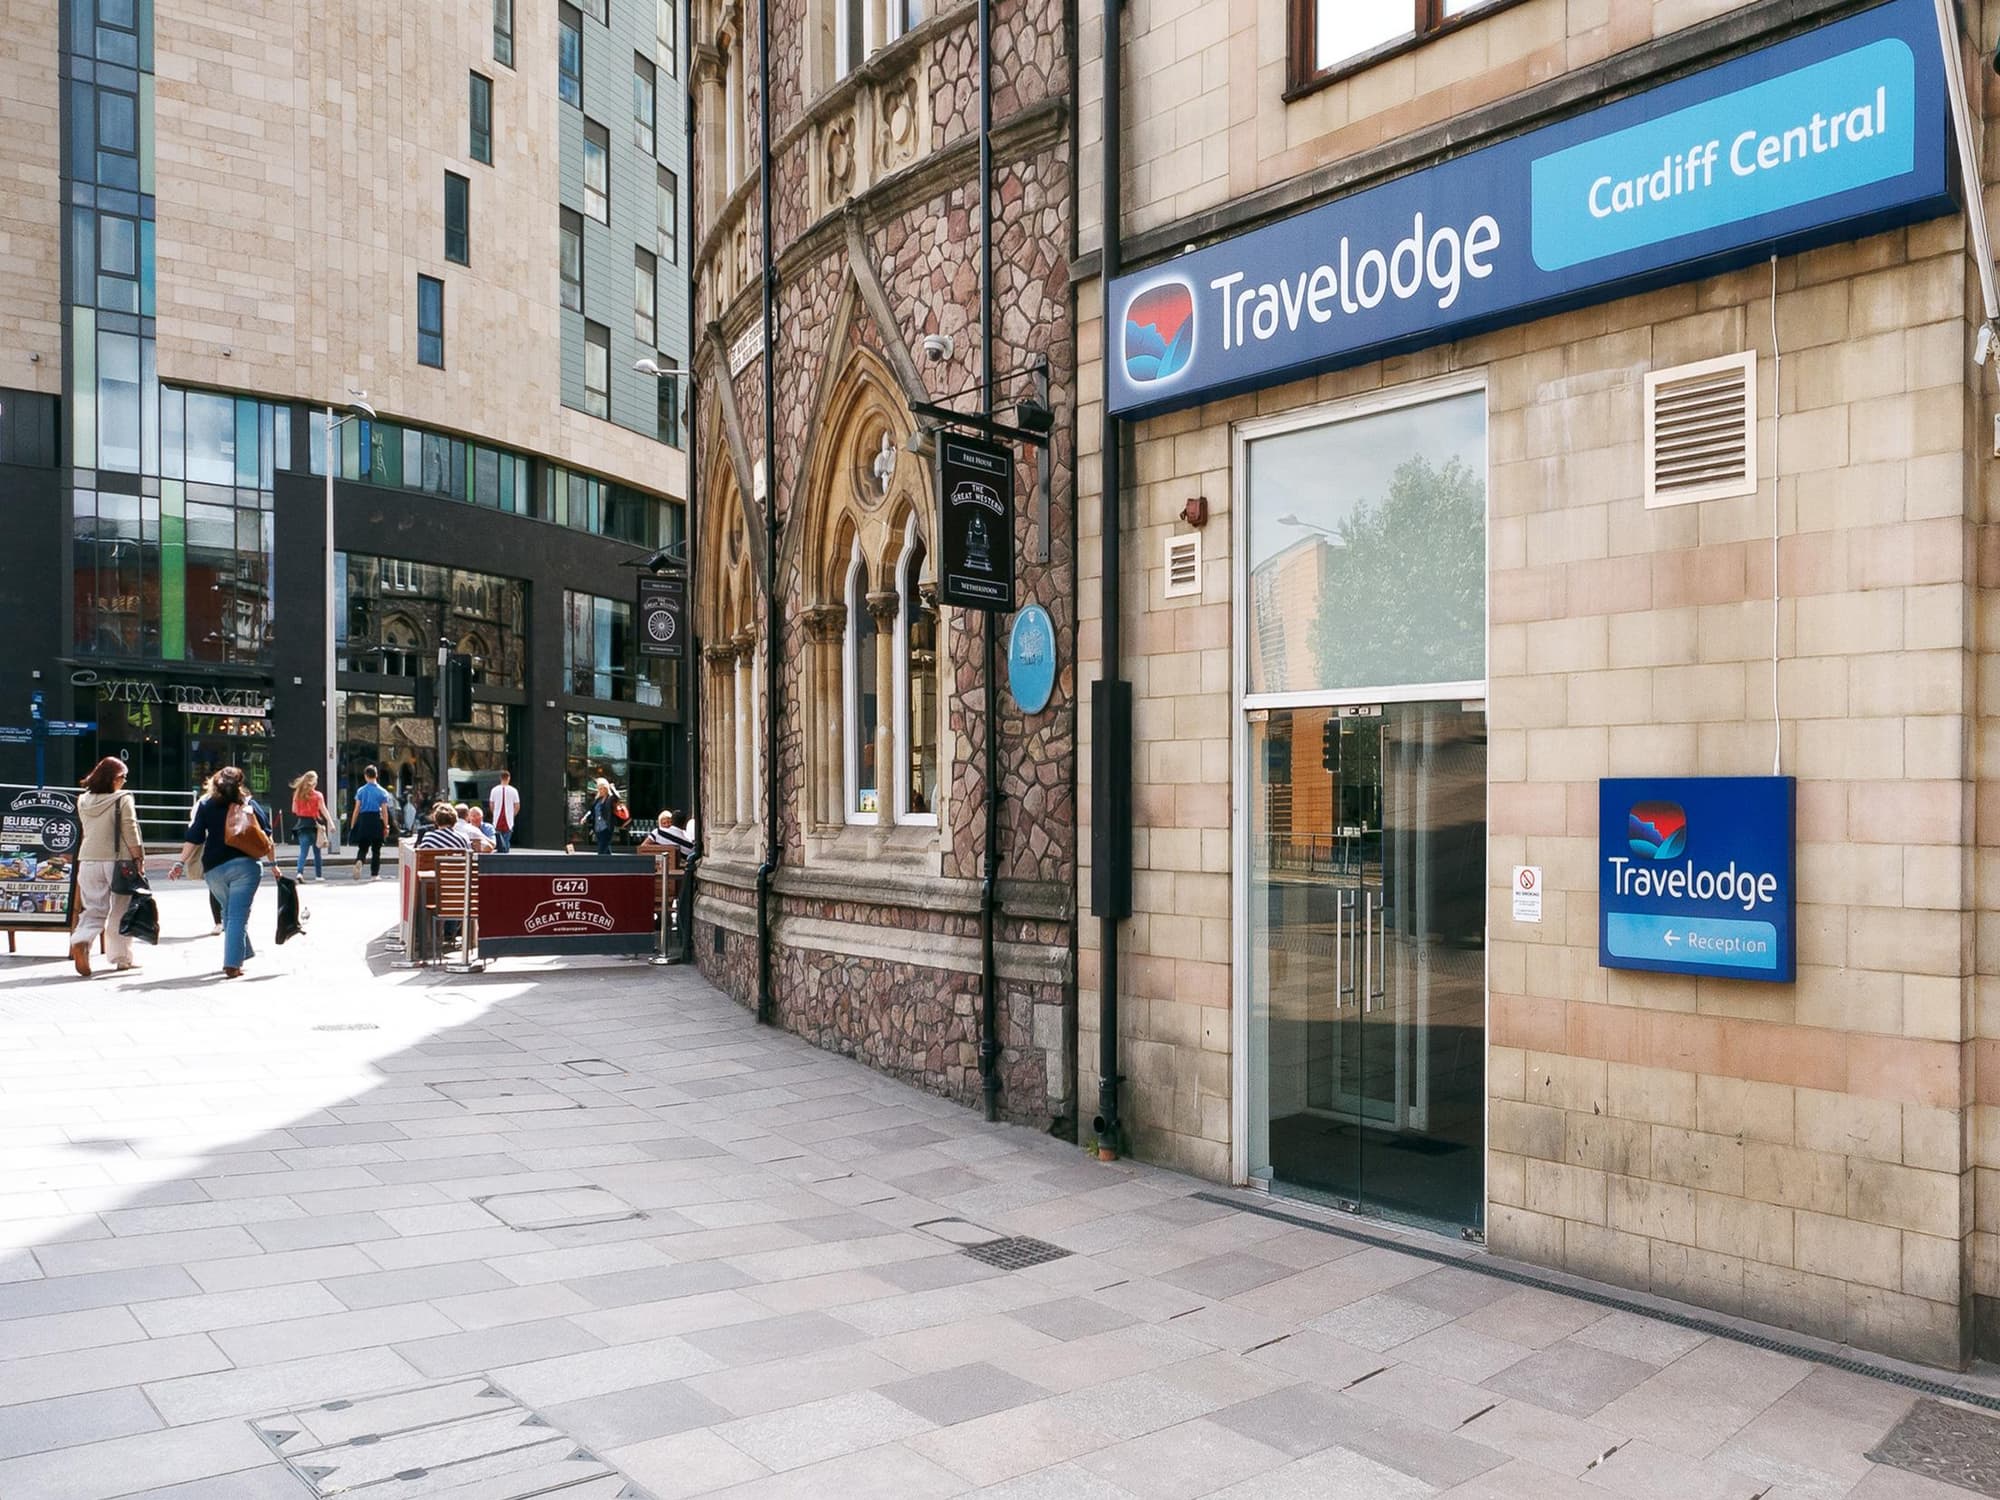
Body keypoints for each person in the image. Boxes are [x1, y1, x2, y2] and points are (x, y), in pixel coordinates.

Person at [171, 766, 271, 978]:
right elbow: (266, 834)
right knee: (237, 915)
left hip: (214, 868)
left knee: (229, 912)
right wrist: (274, 864)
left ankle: (243, 952)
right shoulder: (248, 803)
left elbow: (194, 837)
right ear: (240, 783)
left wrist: (180, 863)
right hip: (246, 866)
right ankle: (232, 964)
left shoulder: (206, 805)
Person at [73, 756, 144, 977]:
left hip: (88, 859)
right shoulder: (123, 799)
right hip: (118, 860)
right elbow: (130, 829)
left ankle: (81, 940)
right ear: (113, 778)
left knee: (94, 907)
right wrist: (138, 857)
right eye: (123, 777)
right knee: (121, 909)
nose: (124, 781)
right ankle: (121, 958)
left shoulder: (83, 800)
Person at [349, 765, 393, 880]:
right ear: (376, 775)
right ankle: (374, 874)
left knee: (363, 847)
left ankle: (360, 860)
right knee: (376, 849)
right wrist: (386, 826)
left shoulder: (361, 791)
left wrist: (353, 824)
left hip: (364, 819)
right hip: (376, 820)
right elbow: (384, 811)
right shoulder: (382, 792)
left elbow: (356, 809)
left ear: (365, 776)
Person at [191, 773, 223, 933]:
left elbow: (193, 827)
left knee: (215, 886)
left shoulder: (204, 802)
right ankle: (223, 920)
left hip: (212, 850)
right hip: (230, 851)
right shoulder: (239, 800)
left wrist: (182, 860)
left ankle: (219, 922)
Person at [289, 770, 329, 881]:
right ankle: (318, 876)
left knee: (303, 852)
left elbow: (294, 810)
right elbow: (323, 810)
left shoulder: (298, 794)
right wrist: (330, 823)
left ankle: (300, 873)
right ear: (314, 783)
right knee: (317, 852)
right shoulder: (318, 795)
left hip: (302, 824)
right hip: (314, 825)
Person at [582, 778, 620, 856]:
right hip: (597, 827)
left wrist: (613, 788)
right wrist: (585, 817)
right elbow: (591, 810)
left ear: (606, 788)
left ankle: (599, 862)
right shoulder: (597, 800)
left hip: (606, 827)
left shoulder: (610, 799)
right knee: (605, 848)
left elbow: (617, 797)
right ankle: (610, 861)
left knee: (602, 848)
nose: (601, 790)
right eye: (599, 789)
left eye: (603, 788)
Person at [487, 770, 520, 854]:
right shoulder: (513, 790)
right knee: (506, 841)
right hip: (508, 820)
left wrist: (494, 813)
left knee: (499, 841)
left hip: (497, 819)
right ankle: (506, 855)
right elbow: (517, 805)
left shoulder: (494, 790)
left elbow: (491, 804)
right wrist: (512, 815)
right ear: (509, 778)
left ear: (500, 778)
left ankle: (501, 854)